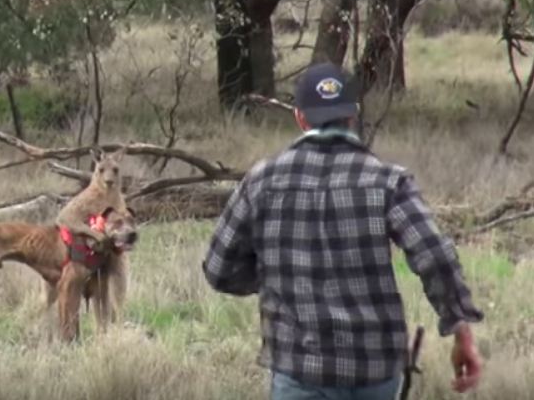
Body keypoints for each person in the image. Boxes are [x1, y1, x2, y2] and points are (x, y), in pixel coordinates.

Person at [202, 62, 484, 399]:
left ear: (300, 118)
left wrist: (275, 276)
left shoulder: (262, 181)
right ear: (352, 116)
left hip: (299, 368)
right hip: (375, 370)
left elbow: (219, 270)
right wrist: (460, 329)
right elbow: (435, 256)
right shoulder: (387, 181)